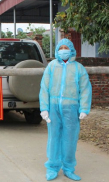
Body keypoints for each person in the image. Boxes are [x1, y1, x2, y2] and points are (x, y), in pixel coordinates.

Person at [39, 38, 92, 181]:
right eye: (61, 48)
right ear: (57, 50)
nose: (64, 51)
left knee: (70, 139)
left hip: (71, 109)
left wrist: (84, 108)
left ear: (71, 50)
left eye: (66, 48)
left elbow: (85, 89)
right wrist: (44, 108)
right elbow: (44, 87)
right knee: (54, 138)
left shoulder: (78, 68)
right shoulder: (51, 67)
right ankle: (52, 168)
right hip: (53, 108)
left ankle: (68, 169)